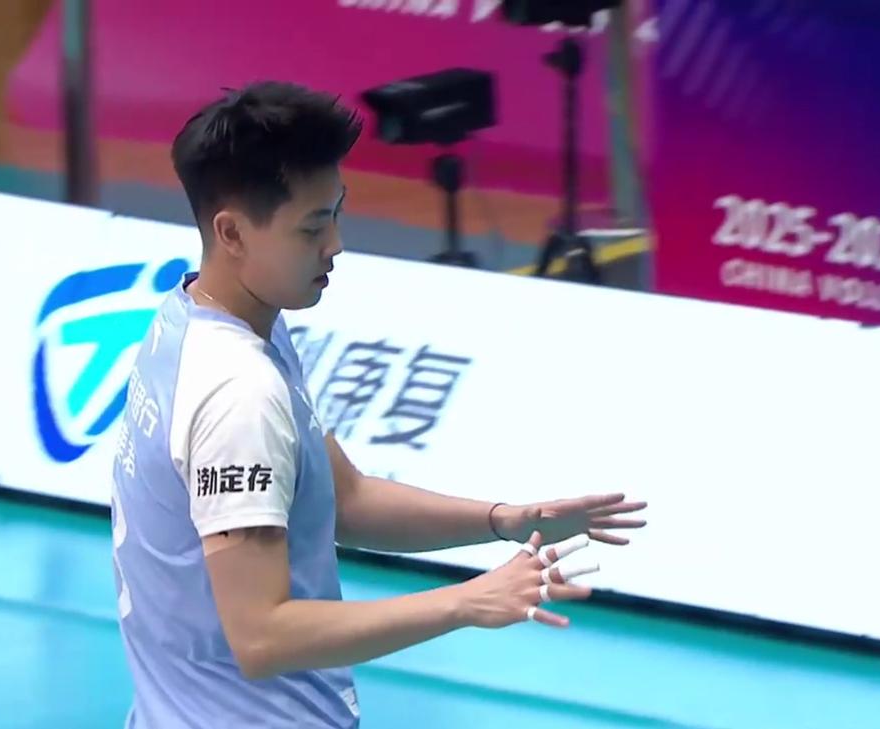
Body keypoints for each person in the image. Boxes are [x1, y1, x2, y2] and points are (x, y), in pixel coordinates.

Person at [109, 81, 647, 729]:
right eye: (312, 226)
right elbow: (261, 636)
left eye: (335, 213)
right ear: (232, 232)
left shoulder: (201, 316)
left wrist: (504, 519)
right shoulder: (238, 393)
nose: (335, 243)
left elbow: (348, 497)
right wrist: (467, 601)